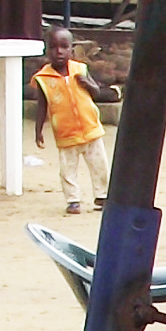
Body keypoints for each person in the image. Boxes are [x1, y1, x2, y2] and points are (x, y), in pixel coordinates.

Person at [29, 27, 112, 215]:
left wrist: (88, 84)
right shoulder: (43, 78)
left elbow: (97, 92)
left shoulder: (80, 70)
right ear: (47, 50)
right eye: (54, 47)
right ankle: (73, 199)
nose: (59, 52)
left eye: (64, 47)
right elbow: (42, 106)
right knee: (68, 170)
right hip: (65, 133)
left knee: (100, 165)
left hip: (90, 128)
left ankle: (102, 195)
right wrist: (38, 130)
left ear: (72, 50)